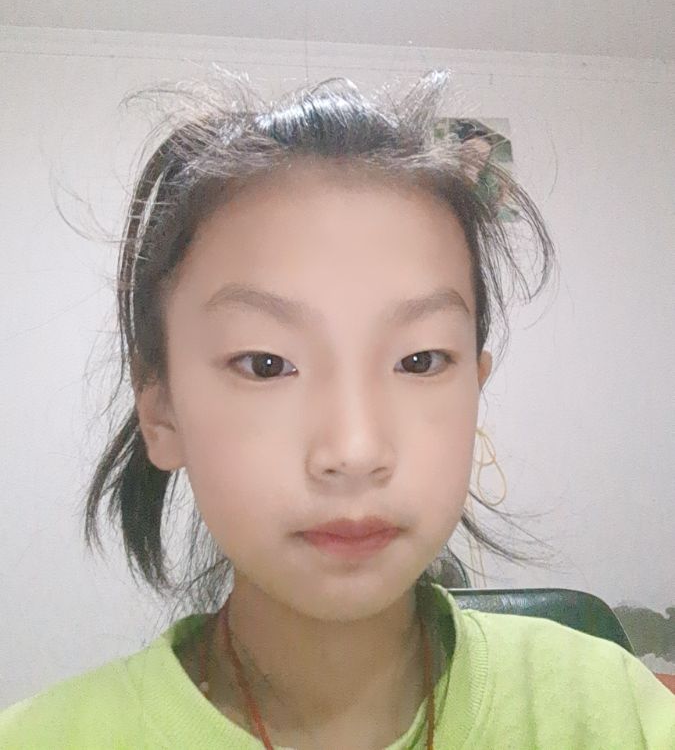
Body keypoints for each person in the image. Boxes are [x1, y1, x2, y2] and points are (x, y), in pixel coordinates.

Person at [1, 71, 673, 748]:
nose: (354, 451)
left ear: (475, 388)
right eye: (266, 364)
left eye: (419, 361)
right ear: (162, 413)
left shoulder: (610, 707)